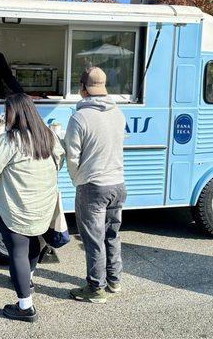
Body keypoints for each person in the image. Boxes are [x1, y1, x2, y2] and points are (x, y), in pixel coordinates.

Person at [0, 93, 64, 322]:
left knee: (17, 251)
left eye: (7, 112)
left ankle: (25, 307)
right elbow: (59, 161)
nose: (5, 116)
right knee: (34, 242)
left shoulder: (8, 140)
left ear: (14, 113)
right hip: (43, 204)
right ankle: (29, 279)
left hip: (16, 207)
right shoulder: (48, 135)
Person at [64, 66, 127, 304]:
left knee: (93, 239)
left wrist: (77, 181)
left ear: (82, 88)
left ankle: (95, 288)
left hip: (93, 186)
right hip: (118, 184)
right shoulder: (118, 114)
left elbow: (72, 157)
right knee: (112, 234)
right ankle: (114, 280)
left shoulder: (79, 117)